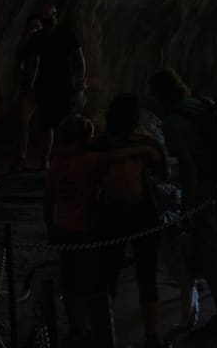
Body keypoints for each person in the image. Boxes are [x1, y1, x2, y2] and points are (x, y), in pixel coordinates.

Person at [148, 71, 217, 333]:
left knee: (209, 253)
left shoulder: (173, 123)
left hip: (207, 190)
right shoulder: (203, 103)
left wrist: (187, 207)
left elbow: (188, 166)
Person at [91, 94, 168, 348]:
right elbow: (163, 173)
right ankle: (152, 336)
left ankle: (104, 337)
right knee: (147, 277)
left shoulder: (98, 145)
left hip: (110, 215)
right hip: (144, 214)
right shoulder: (148, 144)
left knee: (107, 276)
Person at [43, 115, 102, 344]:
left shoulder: (57, 162)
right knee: (88, 280)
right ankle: (88, 327)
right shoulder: (90, 160)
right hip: (86, 229)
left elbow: (48, 199)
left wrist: (51, 227)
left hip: (63, 227)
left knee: (69, 280)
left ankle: (76, 328)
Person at [16, 8, 85, 172]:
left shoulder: (67, 34)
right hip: (44, 83)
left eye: (50, 14)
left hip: (64, 83)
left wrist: (81, 82)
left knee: (64, 121)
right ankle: (46, 159)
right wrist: (30, 84)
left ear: (56, 14)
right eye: (45, 15)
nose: (48, 17)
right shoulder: (37, 38)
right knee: (46, 123)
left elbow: (79, 57)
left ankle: (64, 157)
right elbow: (32, 62)